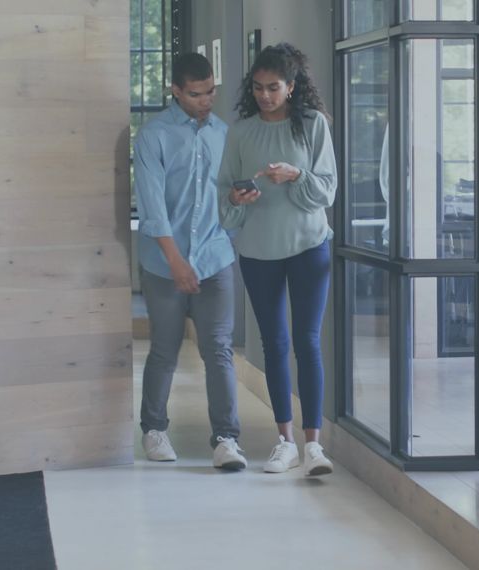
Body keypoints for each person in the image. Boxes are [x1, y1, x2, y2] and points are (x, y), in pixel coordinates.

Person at [218, 43, 337, 476]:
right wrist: (237, 198)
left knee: (307, 342)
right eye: (258, 87)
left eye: (273, 87)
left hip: (309, 246)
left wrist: (296, 175)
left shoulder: (314, 125)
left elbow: (327, 191)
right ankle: (284, 442)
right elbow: (224, 196)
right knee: (275, 344)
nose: (265, 95)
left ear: (291, 87)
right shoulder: (241, 132)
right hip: (257, 251)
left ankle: (313, 446)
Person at [133, 53, 248, 471]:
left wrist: (234, 212)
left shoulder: (223, 135)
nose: (206, 100)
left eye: (210, 92)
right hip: (164, 263)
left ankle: (226, 440)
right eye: (197, 94)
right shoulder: (153, 136)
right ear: (176, 91)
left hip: (214, 258)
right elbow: (152, 208)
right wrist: (176, 261)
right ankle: (154, 429)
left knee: (218, 350)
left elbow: (226, 198)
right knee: (164, 349)